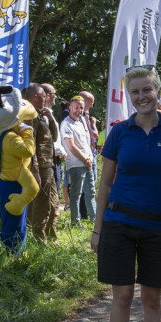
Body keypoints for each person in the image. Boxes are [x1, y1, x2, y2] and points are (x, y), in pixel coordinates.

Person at [92, 67, 161, 322]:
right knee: (124, 295)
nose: (142, 97)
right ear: (130, 96)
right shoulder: (119, 132)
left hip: (157, 226)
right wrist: (97, 229)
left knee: (152, 300)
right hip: (119, 224)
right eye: (136, 92)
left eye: (147, 90)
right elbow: (104, 184)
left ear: (157, 91)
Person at [24, 83, 63, 243]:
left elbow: (53, 137)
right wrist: (35, 170)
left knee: (53, 204)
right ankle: (39, 242)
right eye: (43, 97)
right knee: (42, 206)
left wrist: (51, 118)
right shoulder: (28, 115)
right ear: (35, 97)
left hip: (49, 166)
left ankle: (51, 238)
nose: (46, 99)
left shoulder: (40, 115)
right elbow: (30, 145)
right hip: (40, 167)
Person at [60, 95, 96, 226]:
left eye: (81, 108)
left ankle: (94, 220)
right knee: (76, 195)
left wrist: (90, 158)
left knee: (91, 192)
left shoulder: (80, 122)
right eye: (76, 107)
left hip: (87, 163)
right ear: (70, 107)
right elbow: (71, 146)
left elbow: (87, 144)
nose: (79, 110)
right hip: (75, 164)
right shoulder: (66, 123)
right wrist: (85, 160)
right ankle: (76, 223)